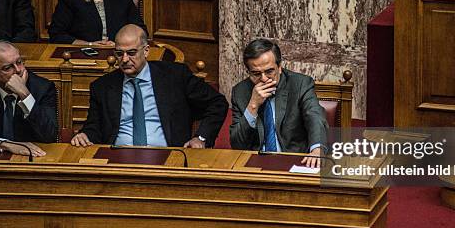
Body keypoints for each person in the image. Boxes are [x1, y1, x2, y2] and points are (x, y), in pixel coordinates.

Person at [71, 24, 228, 148]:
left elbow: (217, 103)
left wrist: (201, 138)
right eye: (119, 53)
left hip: (169, 156)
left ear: (146, 51)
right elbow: (94, 127)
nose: (124, 59)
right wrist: (85, 135)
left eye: (131, 53)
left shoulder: (175, 76)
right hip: (118, 159)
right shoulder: (102, 86)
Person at [230, 38, 328, 168]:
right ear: (248, 72)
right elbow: (237, 145)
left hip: (294, 161)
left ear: (280, 67)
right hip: (256, 166)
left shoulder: (300, 84)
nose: (264, 79)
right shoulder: (240, 92)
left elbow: (315, 117)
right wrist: (253, 105)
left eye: (269, 71)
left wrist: (317, 149)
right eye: (256, 74)